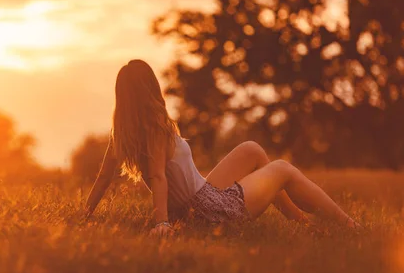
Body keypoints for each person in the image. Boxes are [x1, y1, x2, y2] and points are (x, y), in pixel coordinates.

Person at [83, 59, 360, 236]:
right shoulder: (156, 126)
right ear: (151, 89)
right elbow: (158, 176)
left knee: (252, 150)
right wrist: (162, 223)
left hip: (198, 200)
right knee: (283, 169)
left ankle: (303, 225)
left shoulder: (122, 134)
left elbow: (103, 179)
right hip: (209, 212)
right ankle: (350, 226)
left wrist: (84, 215)